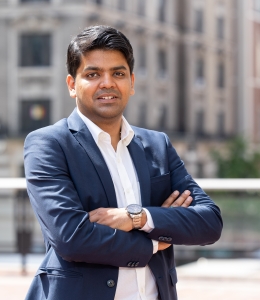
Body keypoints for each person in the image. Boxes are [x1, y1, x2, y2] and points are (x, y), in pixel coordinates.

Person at [24, 25, 222, 300]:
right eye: (93, 74)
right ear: (72, 85)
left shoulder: (157, 145)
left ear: (131, 82)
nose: (107, 83)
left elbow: (209, 222)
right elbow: (71, 238)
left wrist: (136, 217)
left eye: (117, 73)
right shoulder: (49, 144)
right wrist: (155, 241)